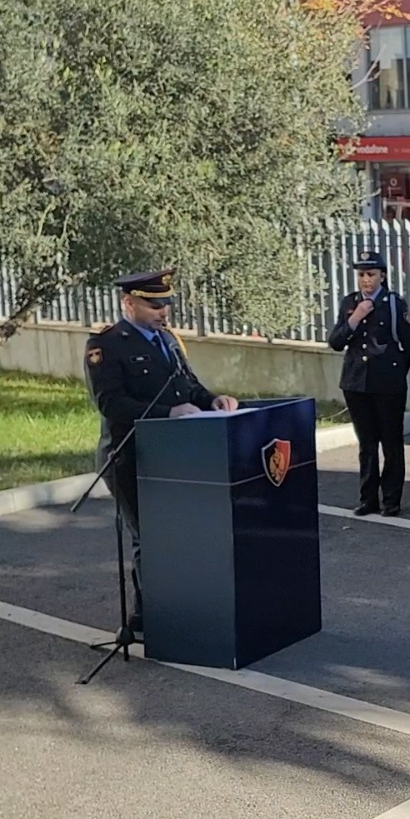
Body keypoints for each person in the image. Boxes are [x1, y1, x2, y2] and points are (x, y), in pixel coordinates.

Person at [84, 269, 240, 634]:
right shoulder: (106, 345)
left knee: (176, 533)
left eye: (166, 303)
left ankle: (175, 607)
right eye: (154, 304)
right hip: (129, 455)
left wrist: (212, 400)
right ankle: (146, 616)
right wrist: (167, 413)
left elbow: (187, 386)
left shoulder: (167, 341)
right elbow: (111, 404)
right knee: (148, 536)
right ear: (129, 303)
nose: (163, 311)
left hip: (175, 454)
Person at [328, 250, 410, 517]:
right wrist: (355, 317)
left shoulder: (394, 303)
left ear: (382, 276)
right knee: (366, 443)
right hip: (356, 382)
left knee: (391, 442)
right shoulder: (350, 303)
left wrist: (394, 370)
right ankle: (368, 498)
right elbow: (336, 342)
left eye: (371, 274)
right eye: (361, 275)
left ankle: (391, 499)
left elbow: (409, 344)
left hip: (387, 383)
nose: (366, 280)